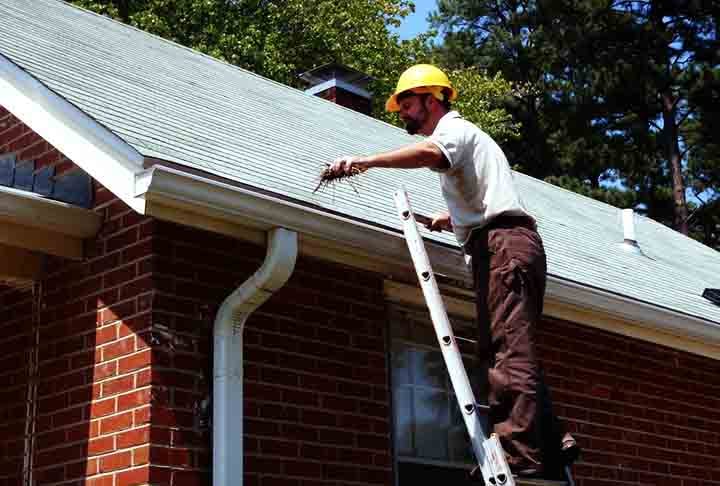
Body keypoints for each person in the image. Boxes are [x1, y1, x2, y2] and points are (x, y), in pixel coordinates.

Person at [329, 64, 579, 479]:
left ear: (432, 99)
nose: (403, 113)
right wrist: (452, 220)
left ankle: (521, 457)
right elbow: (484, 196)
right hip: (503, 244)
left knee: (507, 351)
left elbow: (432, 155)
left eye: (407, 104)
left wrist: (364, 162)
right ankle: (553, 437)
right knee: (509, 347)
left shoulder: (454, 132)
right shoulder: (469, 140)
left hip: (503, 246)